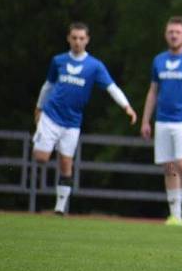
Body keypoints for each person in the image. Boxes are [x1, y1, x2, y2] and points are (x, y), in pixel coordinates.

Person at [33, 22, 137, 214]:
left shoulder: (94, 66)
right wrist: (39, 108)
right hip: (51, 115)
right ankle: (49, 144)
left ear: (87, 40)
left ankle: (60, 208)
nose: (77, 42)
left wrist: (127, 106)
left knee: (66, 163)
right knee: (41, 158)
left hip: (72, 121)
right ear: (68, 39)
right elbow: (48, 86)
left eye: (81, 38)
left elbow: (111, 87)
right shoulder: (58, 61)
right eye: (74, 38)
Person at [140, 16, 182, 227]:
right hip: (162, 120)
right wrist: (145, 120)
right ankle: (174, 216)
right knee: (169, 167)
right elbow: (153, 91)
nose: (174, 35)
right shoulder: (159, 60)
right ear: (166, 34)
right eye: (170, 32)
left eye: (177, 32)